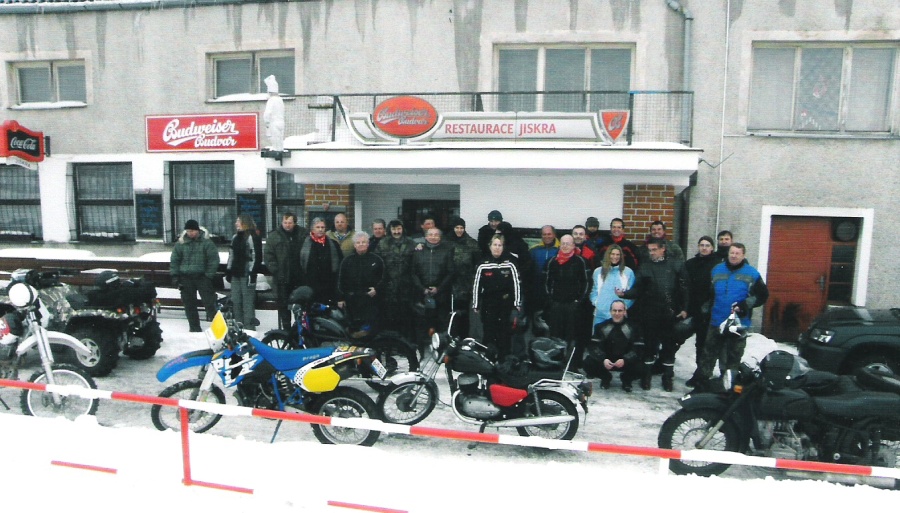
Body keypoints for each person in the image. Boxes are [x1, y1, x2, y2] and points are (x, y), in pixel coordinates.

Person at [694, 243, 769, 390]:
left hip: (738, 324)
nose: (734, 256)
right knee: (708, 355)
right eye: (731, 253)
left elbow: (763, 295)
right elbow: (709, 294)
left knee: (733, 357)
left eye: (737, 253)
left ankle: (729, 387)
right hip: (716, 320)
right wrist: (704, 311)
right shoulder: (716, 270)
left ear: (743, 255)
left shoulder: (752, 273)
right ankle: (701, 385)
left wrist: (745, 304)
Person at [618, 238, 689, 391]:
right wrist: (625, 294)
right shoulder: (645, 266)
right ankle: (646, 376)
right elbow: (638, 289)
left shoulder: (676, 265)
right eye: (649, 250)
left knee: (669, 347)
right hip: (650, 313)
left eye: (654, 250)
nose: (651, 253)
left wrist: (684, 308)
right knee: (650, 347)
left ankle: (668, 377)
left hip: (670, 313)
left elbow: (684, 288)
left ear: (663, 249)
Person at [472, 234, 522, 358]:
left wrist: (517, 303)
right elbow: (477, 285)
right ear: (490, 246)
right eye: (495, 245)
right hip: (489, 303)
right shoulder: (483, 264)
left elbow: (516, 284)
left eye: (500, 245)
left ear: (503, 247)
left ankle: (504, 359)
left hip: (505, 303)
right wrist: (476, 304)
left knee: (504, 332)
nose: (497, 248)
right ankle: (488, 358)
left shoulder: (510, 263)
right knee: (489, 332)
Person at [684, 236, 724, 386]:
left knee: (706, 344)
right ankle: (699, 372)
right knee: (696, 343)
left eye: (707, 245)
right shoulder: (690, 264)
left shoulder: (718, 265)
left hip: (710, 311)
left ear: (712, 248)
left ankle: (704, 374)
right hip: (692, 309)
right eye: (702, 245)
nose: (704, 248)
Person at [544, 235, 590, 360]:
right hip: (556, 305)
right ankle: (556, 360)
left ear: (573, 245)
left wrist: (578, 301)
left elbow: (586, 283)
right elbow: (547, 282)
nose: (565, 246)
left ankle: (572, 362)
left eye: (568, 244)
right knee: (556, 335)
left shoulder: (580, 262)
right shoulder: (552, 262)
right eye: (563, 243)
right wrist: (551, 301)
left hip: (573, 306)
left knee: (572, 335)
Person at [583, 300, 644, 392]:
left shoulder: (634, 327)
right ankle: (605, 377)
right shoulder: (601, 326)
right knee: (587, 363)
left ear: (625, 312)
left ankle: (626, 379)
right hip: (607, 360)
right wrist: (603, 359)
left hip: (625, 361)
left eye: (620, 311)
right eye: (614, 310)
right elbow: (593, 346)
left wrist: (626, 359)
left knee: (642, 367)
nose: (617, 313)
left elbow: (639, 348)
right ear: (610, 311)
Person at [170, 219, 219, 332]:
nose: (190, 233)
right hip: (185, 277)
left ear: (197, 230)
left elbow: (213, 260)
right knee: (189, 304)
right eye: (188, 231)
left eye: (192, 231)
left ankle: (218, 328)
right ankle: (194, 328)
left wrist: (208, 276)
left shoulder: (206, 243)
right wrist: (175, 276)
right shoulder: (181, 243)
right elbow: (175, 260)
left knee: (210, 303)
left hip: (202, 277)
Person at [410, 227, 454, 352]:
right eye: (430, 234)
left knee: (441, 323)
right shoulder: (418, 251)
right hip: (422, 295)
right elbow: (413, 273)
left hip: (440, 294)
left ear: (440, 237)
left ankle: (440, 351)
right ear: (425, 236)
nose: (433, 237)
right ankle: (421, 351)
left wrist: (439, 288)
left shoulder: (446, 251)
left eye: (436, 235)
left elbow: (450, 272)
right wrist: (422, 288)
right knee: (421, 324)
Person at [337, 231, 385, 336]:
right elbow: (341, 281)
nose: (361, 244)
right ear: (354, 245)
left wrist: (377, 289)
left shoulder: (376, 260)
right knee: (353, 331)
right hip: (352, 301)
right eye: (358, 242)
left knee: (369, 331)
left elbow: (384, 278)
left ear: (368, 244)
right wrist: (341, 298)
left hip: (370, 301)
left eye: (363, 242)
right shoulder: (347, 261)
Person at [375, 219, 416, 342]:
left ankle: (406, 342)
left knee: (406, 316)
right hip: (388, 287)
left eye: (399, 229)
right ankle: (392, 342)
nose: (396, 232)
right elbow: (378, 264)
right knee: (389, 317)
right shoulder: (383, 243)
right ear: (390, 230)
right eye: (394, 229)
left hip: (406, 287)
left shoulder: (411, 243)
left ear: (403, 229)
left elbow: (416, 265)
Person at [264, 211, 304, 330]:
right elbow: (268, 256)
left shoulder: (302, 234)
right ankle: (286, 330)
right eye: (285, 222)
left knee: (300, 306)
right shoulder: (274, 236)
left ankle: (299, 330)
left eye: (290, 222)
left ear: (295, 223)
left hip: (299, 277)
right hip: (282, 279)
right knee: (283, 306)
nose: (287, 225)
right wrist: (276, 271)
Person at [225, 214, 262, 327]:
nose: (236, 223)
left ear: (245, 223)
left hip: (247, 274)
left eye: (238, 221)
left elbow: (256, 256)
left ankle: (249, 327)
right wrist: (229, 270)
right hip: (236, 273)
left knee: (247, 302)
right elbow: (231, 255)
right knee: (236, 301)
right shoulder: (235, 237)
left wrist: (252, 272)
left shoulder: (252, 237)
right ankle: (238, 326)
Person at [448, 217, 480, 337]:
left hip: (465, 286)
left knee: (464, 314)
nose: (459, 230)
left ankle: (463, 337)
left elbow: (477, 264)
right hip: (448, 284)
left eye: (461, 227)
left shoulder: (472, 243)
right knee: (450, 314)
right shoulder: (446, 242)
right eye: (457, 227)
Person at [299, 217, 343, 304]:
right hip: (310, 285)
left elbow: (340, 265)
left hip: (329, 286)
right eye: (318, 227)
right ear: (312, 229)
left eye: (322, 227)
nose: (320, 229)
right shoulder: (304, 244)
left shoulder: (333, 244)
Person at [590, 244, 635, 328]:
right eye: (613, 254)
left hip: (619, 315)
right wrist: (597, 303)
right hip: (600, 314)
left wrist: (623, 307)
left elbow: (631, 293)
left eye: (618, 254)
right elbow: (594, 291)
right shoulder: (598, 272)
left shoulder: (628, 272)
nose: (615, 257)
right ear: (608, 255)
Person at [528, 225, 559, 333]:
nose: (547, 236)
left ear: (554, 235)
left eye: (549, 234)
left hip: (554, 290)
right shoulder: (534, 250)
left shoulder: (560, 249)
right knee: (537, 317)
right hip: (537, 289)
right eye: (544, 234)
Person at [262, 75, 284, 151]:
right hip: (281, 122)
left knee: (274, 140)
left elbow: (267, 113)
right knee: (280, 139)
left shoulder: (271, 100)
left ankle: (276, 150)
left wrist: (266, 122)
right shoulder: (280, 100)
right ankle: (280, 150)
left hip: (273, 122)